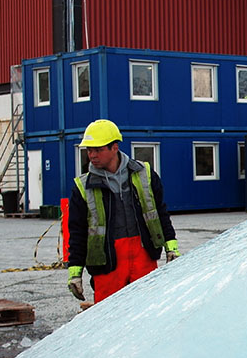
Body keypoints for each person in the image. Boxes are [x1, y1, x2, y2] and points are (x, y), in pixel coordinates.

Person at [67, 119, 180, 303]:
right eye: (89, 150)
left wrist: (171, 246)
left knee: (147, 309)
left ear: (115, 147)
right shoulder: (82, 187)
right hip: (106, 263)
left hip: (143, 255)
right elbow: (77, 231)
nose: (92, 155)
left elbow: (160, 212)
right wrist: (75, 271)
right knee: (108, 318)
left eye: (98, 149)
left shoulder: (145, 174)